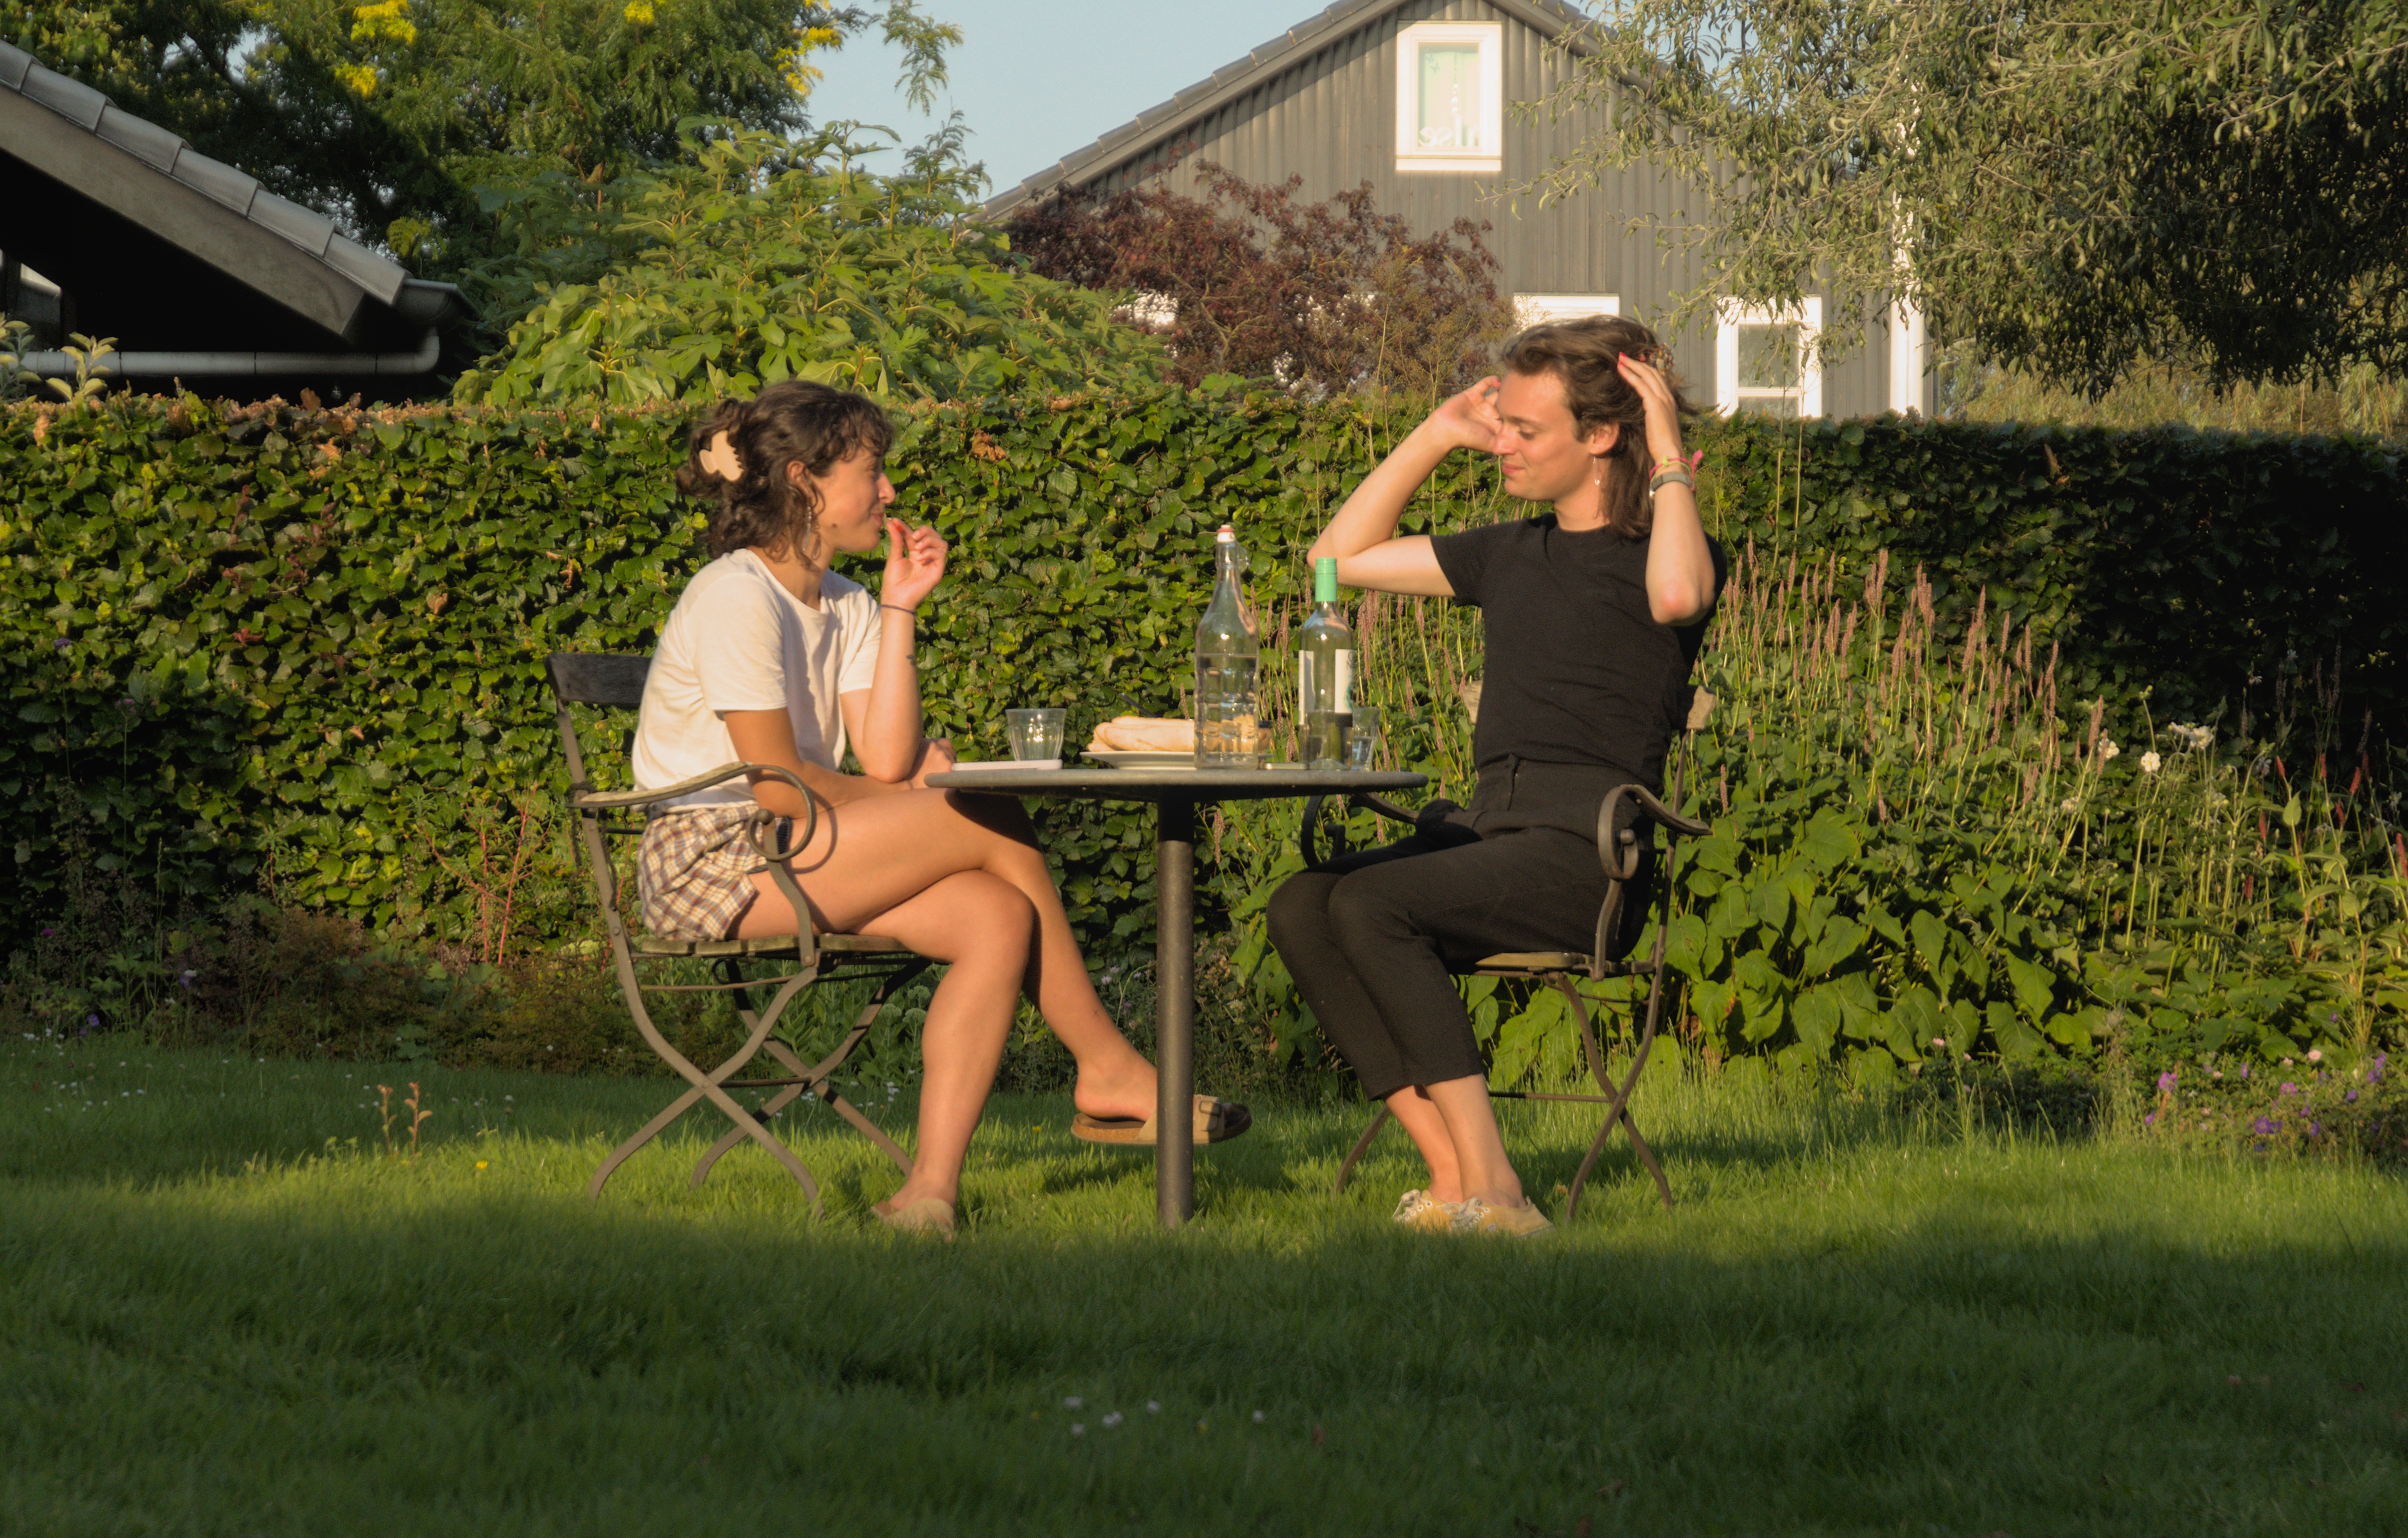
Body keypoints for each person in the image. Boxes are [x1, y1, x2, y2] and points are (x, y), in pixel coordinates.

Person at [633, 381, 1248, 1239]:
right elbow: (775, 783)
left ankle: (927, 1195)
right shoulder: (736, 594)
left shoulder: (847, 602)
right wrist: (917, 795)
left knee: (995, 915)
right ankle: (1108, 1068)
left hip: (799, 845)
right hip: (713, 860)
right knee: (981, 813)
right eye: (871, 472)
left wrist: (899, 608)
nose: (888, 491)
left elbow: (885, 759)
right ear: (805, 481)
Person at [1265, 316, 1722, 1238]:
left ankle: (1500, 1192)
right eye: (1499, 424)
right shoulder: (1508, 552)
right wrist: (1434, 433)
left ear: (1602, 435)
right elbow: (1332, 561)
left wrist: (1668, 453)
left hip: (1586, 858)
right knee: (1302, 903)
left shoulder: (1663, 553)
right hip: (1490, 832)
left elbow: (1678, 599)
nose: (1501, 444)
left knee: (1373, 905)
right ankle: (1449, 1178)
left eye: (1524, 429)